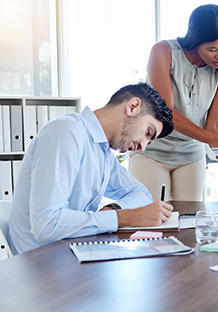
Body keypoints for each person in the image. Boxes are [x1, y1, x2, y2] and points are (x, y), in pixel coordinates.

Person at [9, 83, 175, 255]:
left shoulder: (102, 152)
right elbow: (46, 225)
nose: (143, 147)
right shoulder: (67, 132)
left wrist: (113, 210)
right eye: (148, 132)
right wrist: (126, 217)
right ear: (132, 107)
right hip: (40, 265)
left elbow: (141, 193)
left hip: (71, 253)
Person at [129, 4, 218, 202]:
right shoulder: (163, 51)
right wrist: (212, 140)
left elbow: (213, 125)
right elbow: (167, 112)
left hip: (191, 156)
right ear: (196, 41)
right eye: (212, 49)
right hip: (151, 152)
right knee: (152, 220)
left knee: (189, 222)